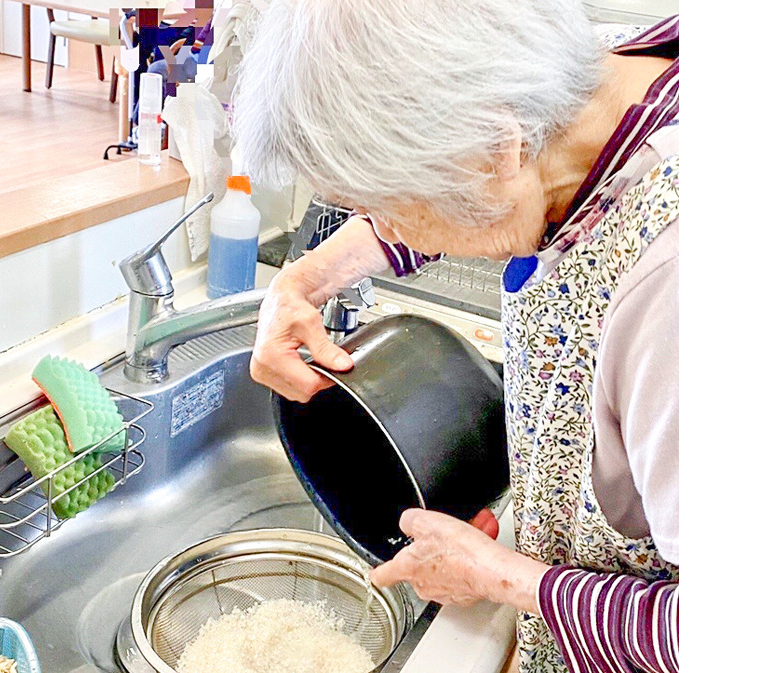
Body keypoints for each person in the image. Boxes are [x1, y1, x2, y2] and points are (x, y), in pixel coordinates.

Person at [232, 2, 678, 672]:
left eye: (380, 205)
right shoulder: (590, 78)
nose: (379, 227)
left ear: (498, 152)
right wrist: (305, 278)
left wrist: (499, 577)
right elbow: (467, 186)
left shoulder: (680, 290)